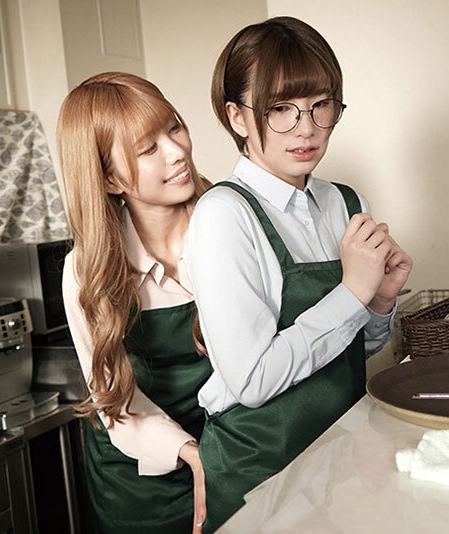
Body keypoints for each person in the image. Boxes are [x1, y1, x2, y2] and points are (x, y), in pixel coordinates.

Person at [185, 16, 413, 531]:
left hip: (342, 455)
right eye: (280, 109)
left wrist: (380, 302)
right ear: (237, 117)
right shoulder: (224, 215)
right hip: (259, 472)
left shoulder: (346, 202)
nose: (306, 128)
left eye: (320, 105)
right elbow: (252, 381)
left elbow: (353, 350)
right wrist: (353, 292)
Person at [58, 72, 211, 534]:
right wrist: (192, 454)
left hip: (229, 446)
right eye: (148, 149)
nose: (177, 151)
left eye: (174, 127)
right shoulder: (85, 270)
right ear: (109, 178)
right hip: (136, 477)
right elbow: (116, 402)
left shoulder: (227, 225)